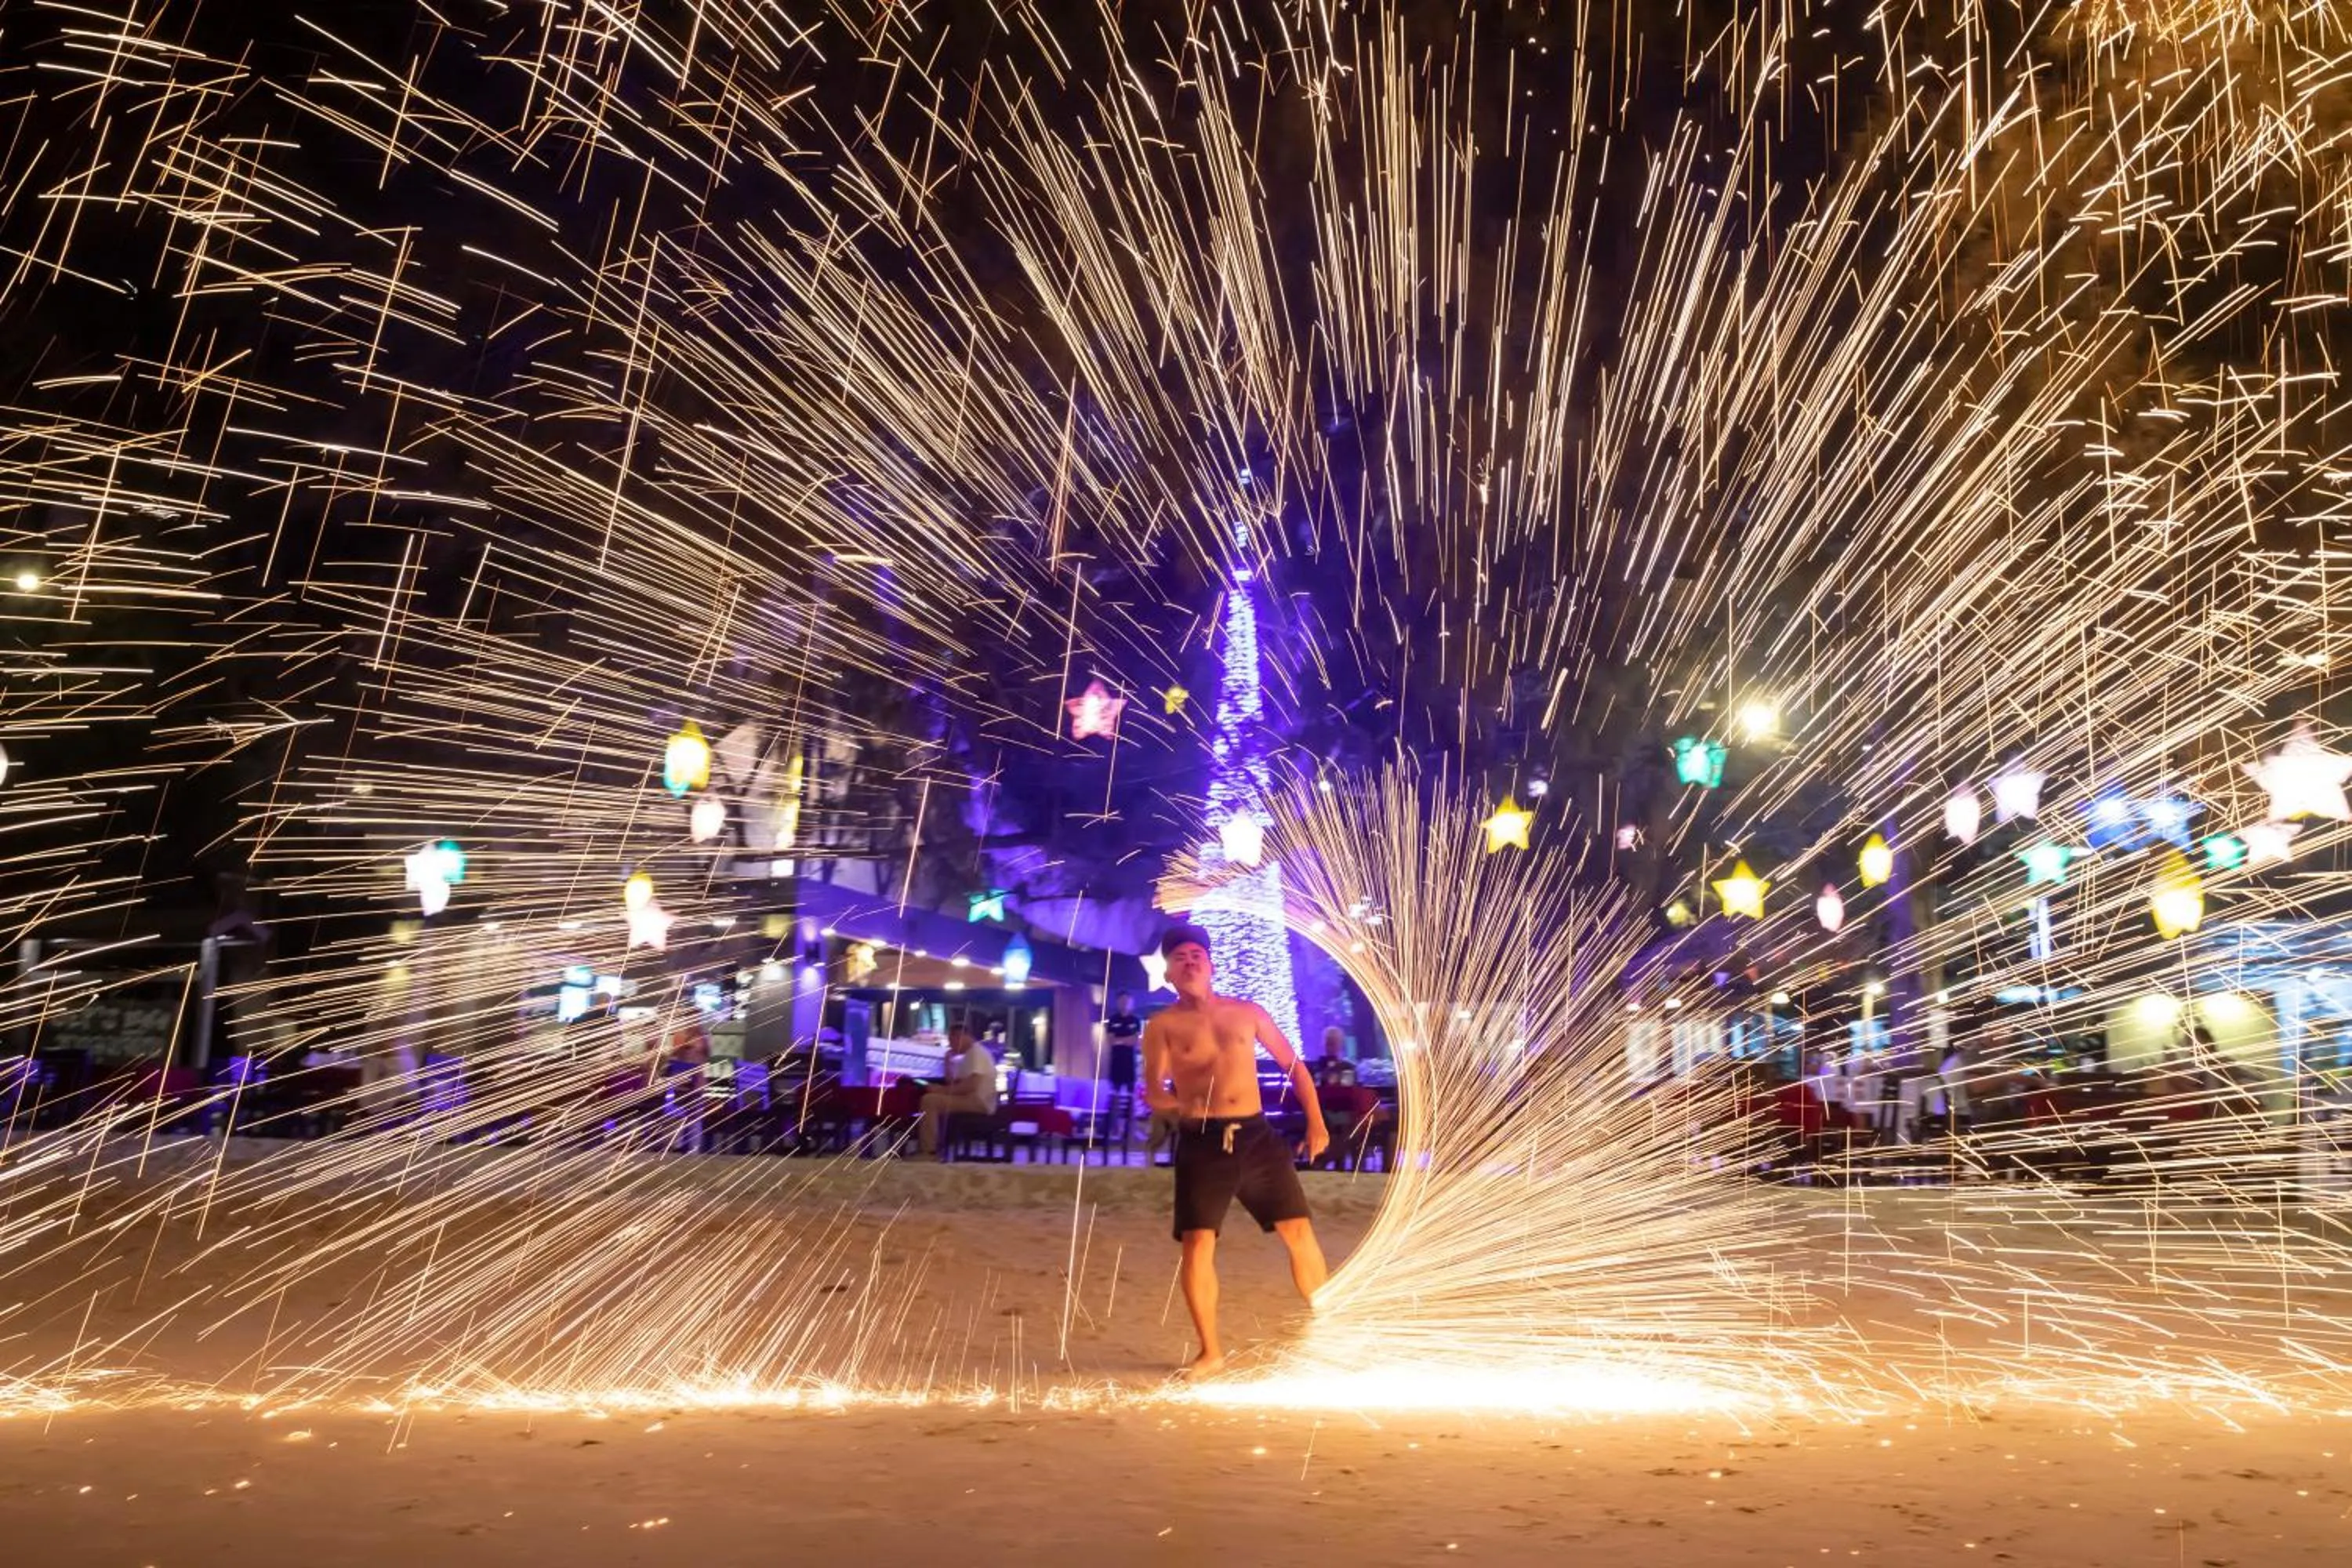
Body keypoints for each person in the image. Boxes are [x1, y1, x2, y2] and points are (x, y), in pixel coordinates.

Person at [1142, 923, 1330, 1379]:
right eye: (1180, 957)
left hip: (1256, 1137)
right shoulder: (1162, 1025)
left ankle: (1330, 1333)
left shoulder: (1248, 1013)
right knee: (1198, 1242)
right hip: (1202, 1143)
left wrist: (1317, 1121)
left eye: (1197, 955)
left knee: (1298, 1232)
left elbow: (1295, 1067)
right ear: (1168, 972)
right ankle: (1210, 1352)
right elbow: (1152, 1091)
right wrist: (1175, 1104)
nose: (1190, 962)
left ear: (1210, 965)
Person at [919, 1023, 998, 1157]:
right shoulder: (969, 1055)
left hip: (979, 1101)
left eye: (951, 1040)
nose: (951, 1045)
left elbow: (971, 1086)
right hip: (971, 1099)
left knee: (930, 1101)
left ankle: (929, 1151)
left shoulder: (977, 1053)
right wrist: (947, 1061)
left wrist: (941, 1090)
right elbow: (954, 1083)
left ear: (961, 1036)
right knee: (932, 1099)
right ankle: (935, 1147)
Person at [1104, 992, 1145, 1142]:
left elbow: (1136, 1042)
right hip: (1116, 1065)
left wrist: (1120, 1040)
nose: (1125, 1003)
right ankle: (1113, 1131)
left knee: (1131, 1099)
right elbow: (1110, 1041)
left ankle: (1130, 1132)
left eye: (1127, 1001)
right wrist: (1126, 1040)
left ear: (1131, 1003)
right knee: (1114, 1098)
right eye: (1122, 1000)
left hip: (1130, 1066)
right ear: (1118, 1002)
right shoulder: (1113, 1020)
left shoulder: (1136, 1020)